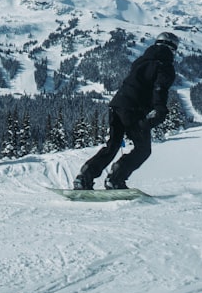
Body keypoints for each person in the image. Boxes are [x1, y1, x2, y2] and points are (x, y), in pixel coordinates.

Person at [73, 31, 179, 190]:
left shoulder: (141, 60)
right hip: (133, 109)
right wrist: (160, 110)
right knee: (143, 149)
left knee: (113, 145)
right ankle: (116, 178)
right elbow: (159, 88)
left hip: (116, 105)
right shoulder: (165, 65)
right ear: (172, 48)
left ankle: (84, 178)